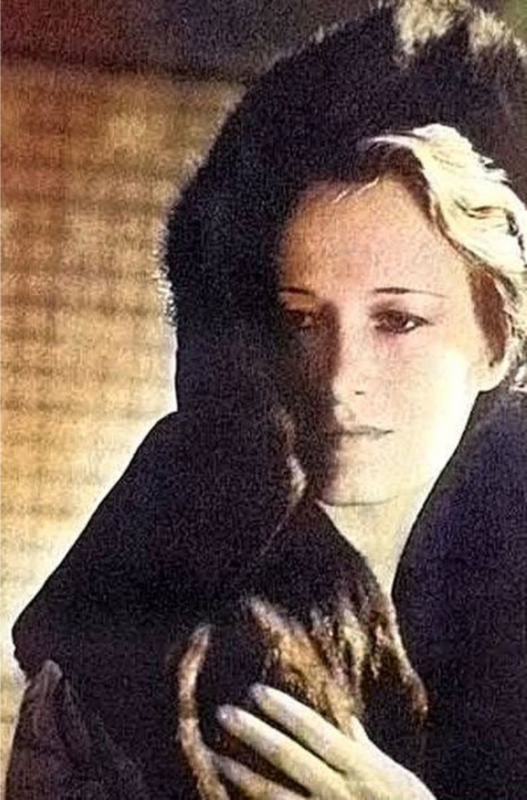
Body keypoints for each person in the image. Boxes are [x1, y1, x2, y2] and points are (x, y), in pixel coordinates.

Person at [6, 1, 527, 799]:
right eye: (301, 319)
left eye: (398, 320)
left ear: (496, 345)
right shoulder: (130, 649)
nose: (339, 375)